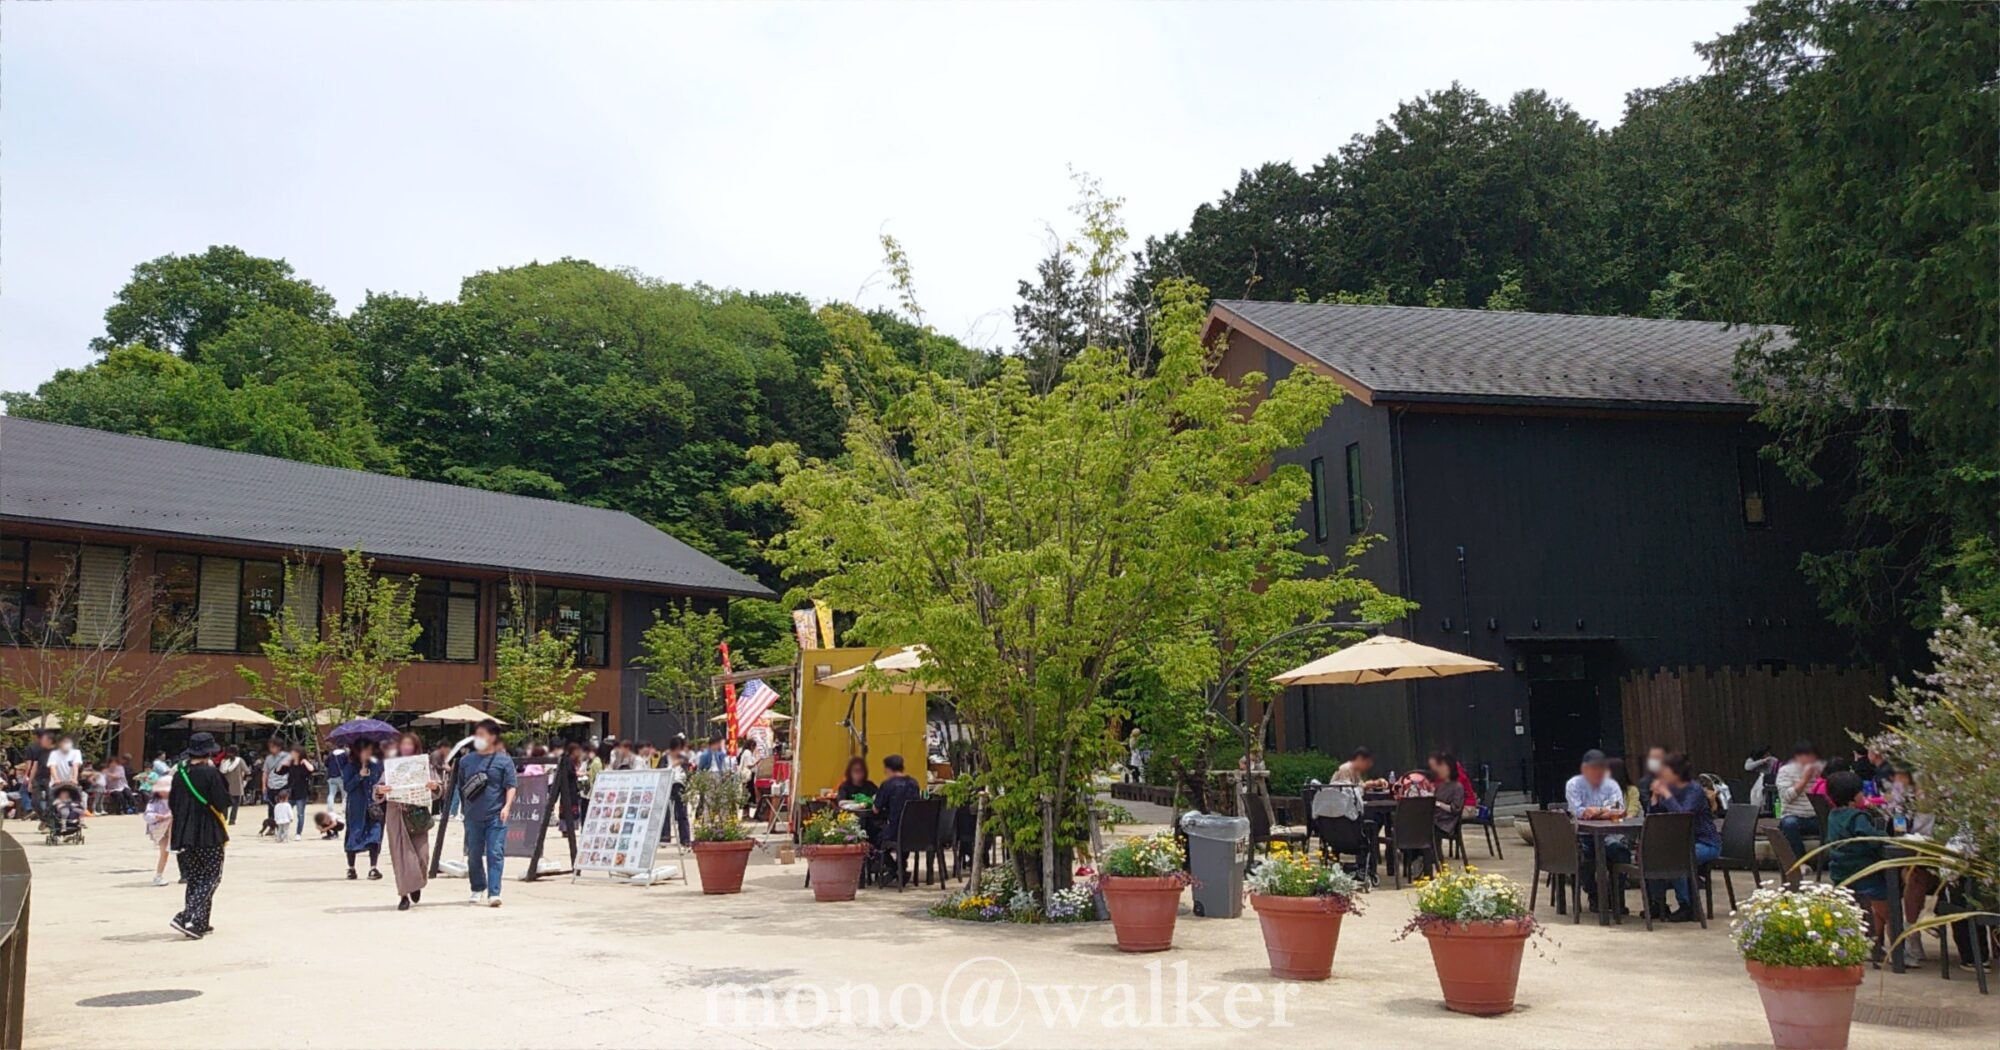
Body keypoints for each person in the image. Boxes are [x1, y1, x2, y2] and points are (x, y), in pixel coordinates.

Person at [166, 732, 231, 939]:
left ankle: (200, 922)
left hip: (184, 833)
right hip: (208, 833)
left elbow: (172, 804)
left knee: (195, 877)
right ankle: (185, 916)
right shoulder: (211, 774)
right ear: (209, 752)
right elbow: (222, 801)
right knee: (212, 876)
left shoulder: (179, 775)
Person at [1822, 771, 1891, 962]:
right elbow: (1870, 839)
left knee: (1869, 912)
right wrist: (1887, 837)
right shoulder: (1857, 816)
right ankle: (1901, 952)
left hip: (1841, 874)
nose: (1864, 797)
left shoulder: (1833, 815)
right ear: (1853, 797)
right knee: (1888, 912)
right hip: (1864, 874)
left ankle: (1870, 947)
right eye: (1861, 793)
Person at [1641, 751, 1719, 922]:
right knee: (1651, 854)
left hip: (1704, 843)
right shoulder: (1668, 789)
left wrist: (1667, 795)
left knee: (1675, 856)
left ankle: (1688, 906)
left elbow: (1683, 816)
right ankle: (1657, 903)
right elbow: (1654, 817)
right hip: (1676, 843)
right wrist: (1655, 797)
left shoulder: (1694, 789)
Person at [376, 732, 441, 911]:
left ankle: (417, 883)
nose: (406, 748)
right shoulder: (391, 767)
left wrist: (435, 787)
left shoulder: (425, 765)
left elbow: (439, 788)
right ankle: (404, 895)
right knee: (401, 857)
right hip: (396, 816)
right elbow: (378, 790)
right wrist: (381, 790)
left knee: (422, 855)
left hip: (418, 814)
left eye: (409, 745)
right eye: (403, 745)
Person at [456, 719, 517, 907]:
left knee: (495, 852)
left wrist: (507, 806)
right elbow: (461, 786)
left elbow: (511, 785)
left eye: (482, 735)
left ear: (492, 737)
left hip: (496, 815)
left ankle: (494, 892)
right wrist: (464, 809)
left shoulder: (504, 761)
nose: (478, 738)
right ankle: (477, 887)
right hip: (473, 815)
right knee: (474, 853)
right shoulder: (466, 761)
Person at [1565, 749, 1629, 913]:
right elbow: (1579, 812)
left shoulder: (1612, 785)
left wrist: (1597, 810)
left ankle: (1616, 898)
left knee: (1621, 852)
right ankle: (1595, 896)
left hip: (1608, 834)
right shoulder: (1574, 785)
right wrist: (1605, 812)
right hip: (1582, 835)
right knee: (1585, 857)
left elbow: (1620, 810)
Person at [334, 740, 385, 880]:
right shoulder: (350, 767)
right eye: (365, 750)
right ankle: (351, 868)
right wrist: (359, 776)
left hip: (373, 805)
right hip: (356, 806)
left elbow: (380, 783)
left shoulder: (375, 766)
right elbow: (347, 787)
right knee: (354, 834)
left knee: (375, 834)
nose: (368, 753)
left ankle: (373, 868)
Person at [1774, 741, 1823, 859]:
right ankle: (1800, 862)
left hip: (1816, 817)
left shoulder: (1819, 770)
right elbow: (1786, 797)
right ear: (1798, 757)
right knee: (1789, 824)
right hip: (1794, 816)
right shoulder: (1785, 771)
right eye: (1807, 756)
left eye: (1813, 757)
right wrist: (1804, 780)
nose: (1811, 760)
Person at [870, 754, 920, 848]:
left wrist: (875, 799)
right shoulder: (914, 783)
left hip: (895, 832)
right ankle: (901, 861)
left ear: (888, 769)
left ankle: (891, 863)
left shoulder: (888, 784)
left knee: (874, 835)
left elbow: (876, 809)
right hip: (914, 831)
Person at [553, 740, 588, 865]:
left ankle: (568, 828)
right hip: (568, 788)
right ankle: (566, 828)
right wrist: (577, 774)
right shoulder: (567, 761)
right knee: (568, 807)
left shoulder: (569, 760)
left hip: (570, 788)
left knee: (570, 807)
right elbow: (569, 774)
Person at [143, 779, 173, 886]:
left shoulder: (176, 800)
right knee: (164, 853)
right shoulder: (154, 802)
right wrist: (156, 816)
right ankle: (158, 875)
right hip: (160, 829)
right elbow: (147, 815)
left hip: (174, 829)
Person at [286, 747, 314, 839]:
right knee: (286, 812)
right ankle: (284, 831)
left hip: (301, 792)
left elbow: (312, 769)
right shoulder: (290, 764)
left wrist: (305, 761)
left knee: (300, 814)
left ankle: (298, 833)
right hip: (291, 792)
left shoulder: (304, 764)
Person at [260, 739, 289, 829]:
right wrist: (264, 785)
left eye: (273, 746)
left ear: (279, 747)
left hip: (283, 784)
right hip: (271, 785)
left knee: (282, 806)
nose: (271, 749)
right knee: (271, 807)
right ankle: (272, 827)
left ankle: (282, 825)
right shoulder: (268, 758)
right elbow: (265, 772)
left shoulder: (287, 757)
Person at [217, 749, 248, 824]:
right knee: (235, 804)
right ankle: (232, 820)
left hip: (226, 786)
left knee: (225, 803)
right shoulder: (239, 760)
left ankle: (224, 818)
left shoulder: (223, 762)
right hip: (237, 786)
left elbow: (220, 772)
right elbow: (247, 771)